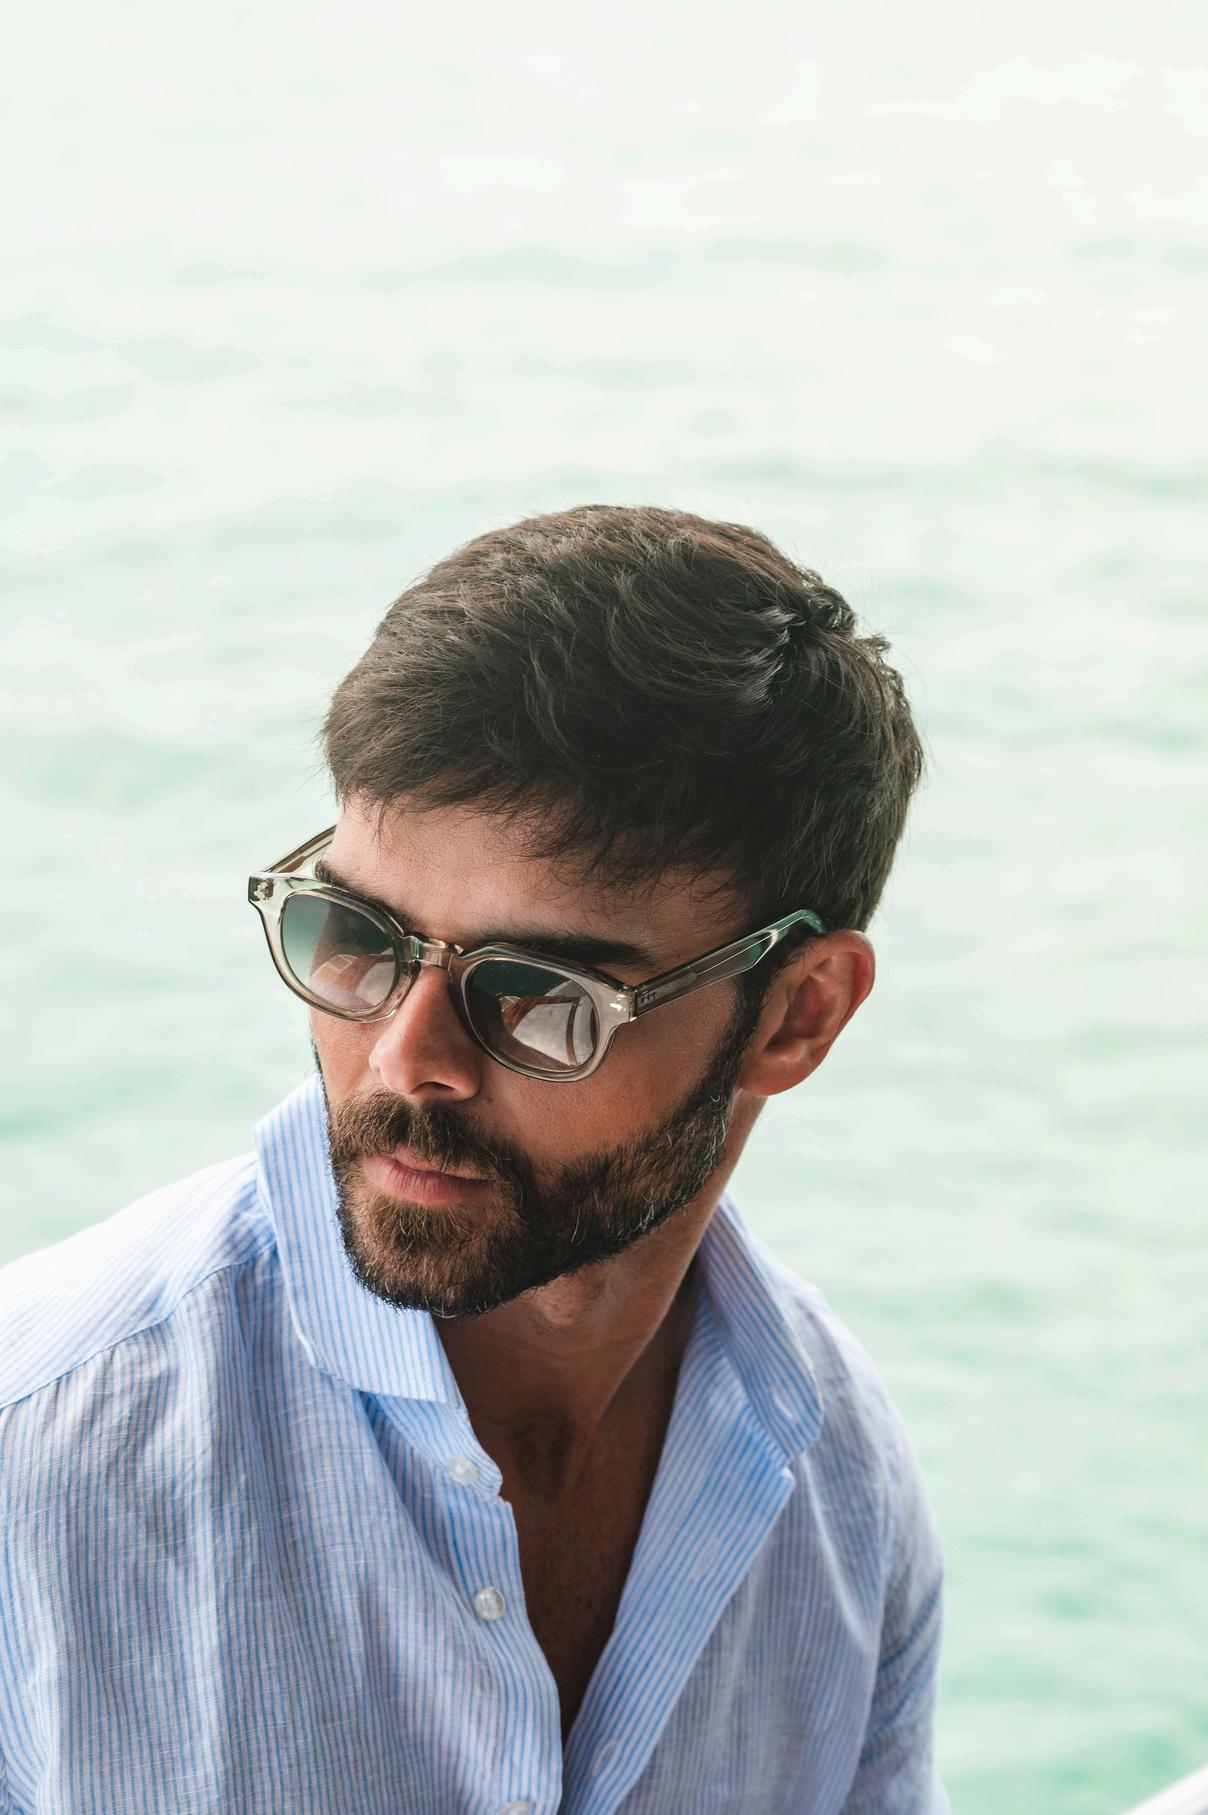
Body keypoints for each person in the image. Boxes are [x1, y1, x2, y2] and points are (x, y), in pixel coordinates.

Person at [0, 505, 948, 1814]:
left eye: (540, 994)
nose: (405, 1060)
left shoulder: (842, 1487)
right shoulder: (35, 1459)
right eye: (356, 935)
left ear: (798, 1016)